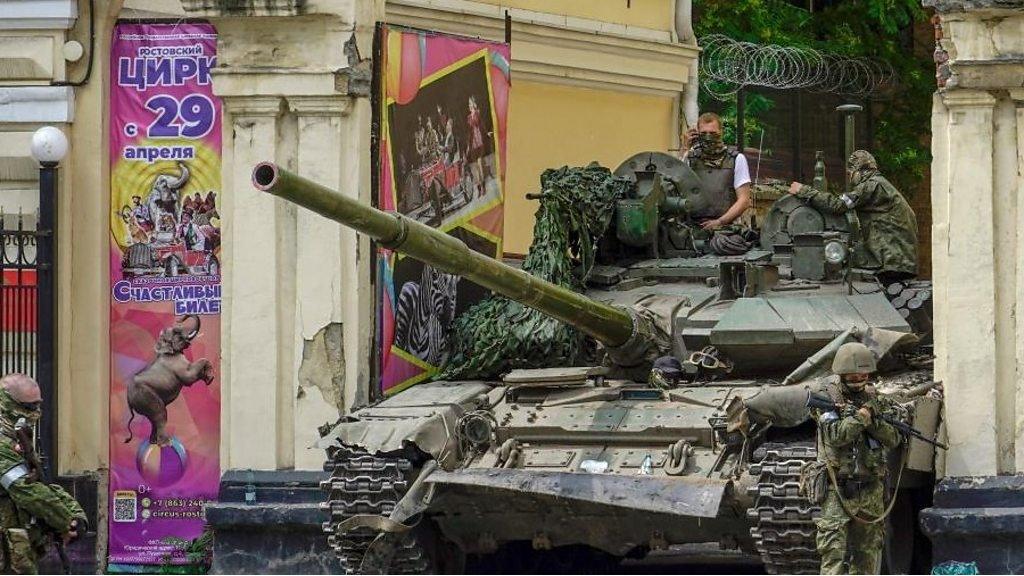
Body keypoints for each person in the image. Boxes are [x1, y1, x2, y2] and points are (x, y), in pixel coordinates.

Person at [812, 343, 902, 575]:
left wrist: (873, 419)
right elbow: (837, 435)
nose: (859, 380)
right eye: (853, 376)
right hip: (837, 490)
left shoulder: (876, 400)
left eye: (863, 376)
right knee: (833, 554)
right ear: (842, 375)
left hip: (871, 488)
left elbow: (893, 438)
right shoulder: (826, 399)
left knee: (867, 554)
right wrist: (862, 417)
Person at [789, 150, 918, 284]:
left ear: (859, 171)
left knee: (839, 259)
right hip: (898, 259)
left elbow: (838, 205)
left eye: (850, 174)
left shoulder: (872, 186)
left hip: (891, 259)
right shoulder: (881, 184)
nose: (850, 179)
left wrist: (803, 190)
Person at [0, 374, 86, 573]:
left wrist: (76, 516)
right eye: (29, 406)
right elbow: (29, 493)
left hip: (18, 547)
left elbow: (43, 485)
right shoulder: (3, 446)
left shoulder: (19, 440)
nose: (36, 412)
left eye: (38, 405)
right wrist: (65, 521)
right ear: (7, 404)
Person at [680, 112, 753, 232]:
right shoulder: (690, 158)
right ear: (697, 134)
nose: (708, 137)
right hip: (692, 227)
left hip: (726, 228)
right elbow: (677, 182)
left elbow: (744, 200)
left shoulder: (736, 159)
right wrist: (685, 149)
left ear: (721, 132)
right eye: (703, 133)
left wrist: (720, 222)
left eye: (713, 133)